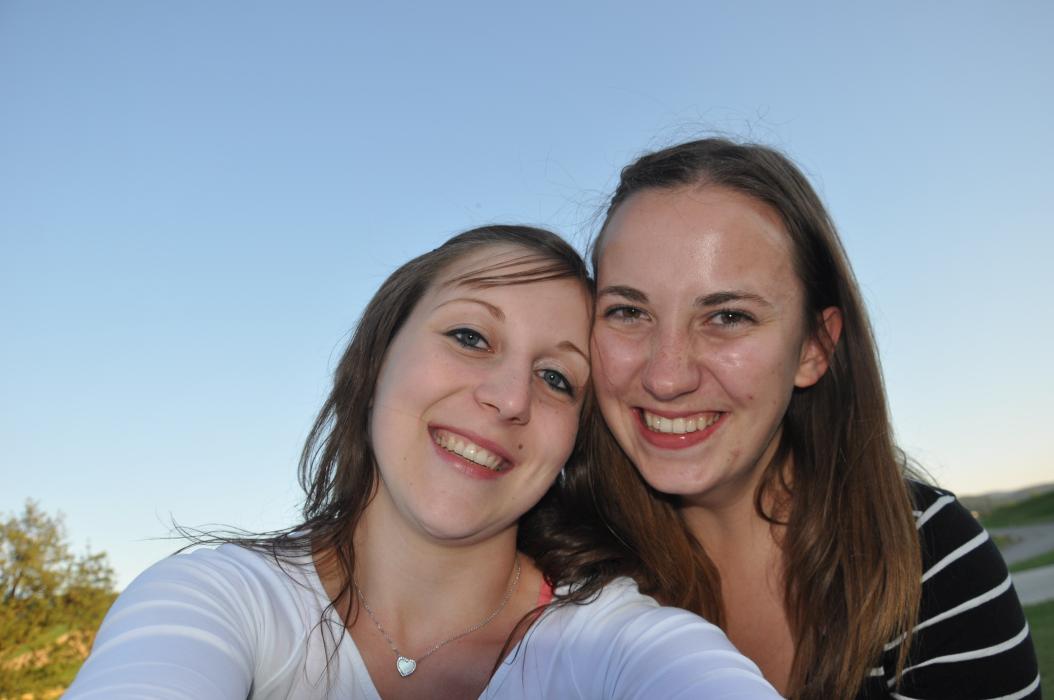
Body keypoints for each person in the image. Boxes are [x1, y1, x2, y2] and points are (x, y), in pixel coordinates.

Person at [66, 225, 781, 699]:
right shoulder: (219, 600)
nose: (509, 398)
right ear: (379, 358)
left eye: (556, 378)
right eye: (470, 336)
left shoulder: (616, 644)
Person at [579, 139, 1040, 699]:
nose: (666, 376)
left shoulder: (929, 564)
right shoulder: (558, 562)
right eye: (628, 311)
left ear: (814, 348)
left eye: (728, 316)